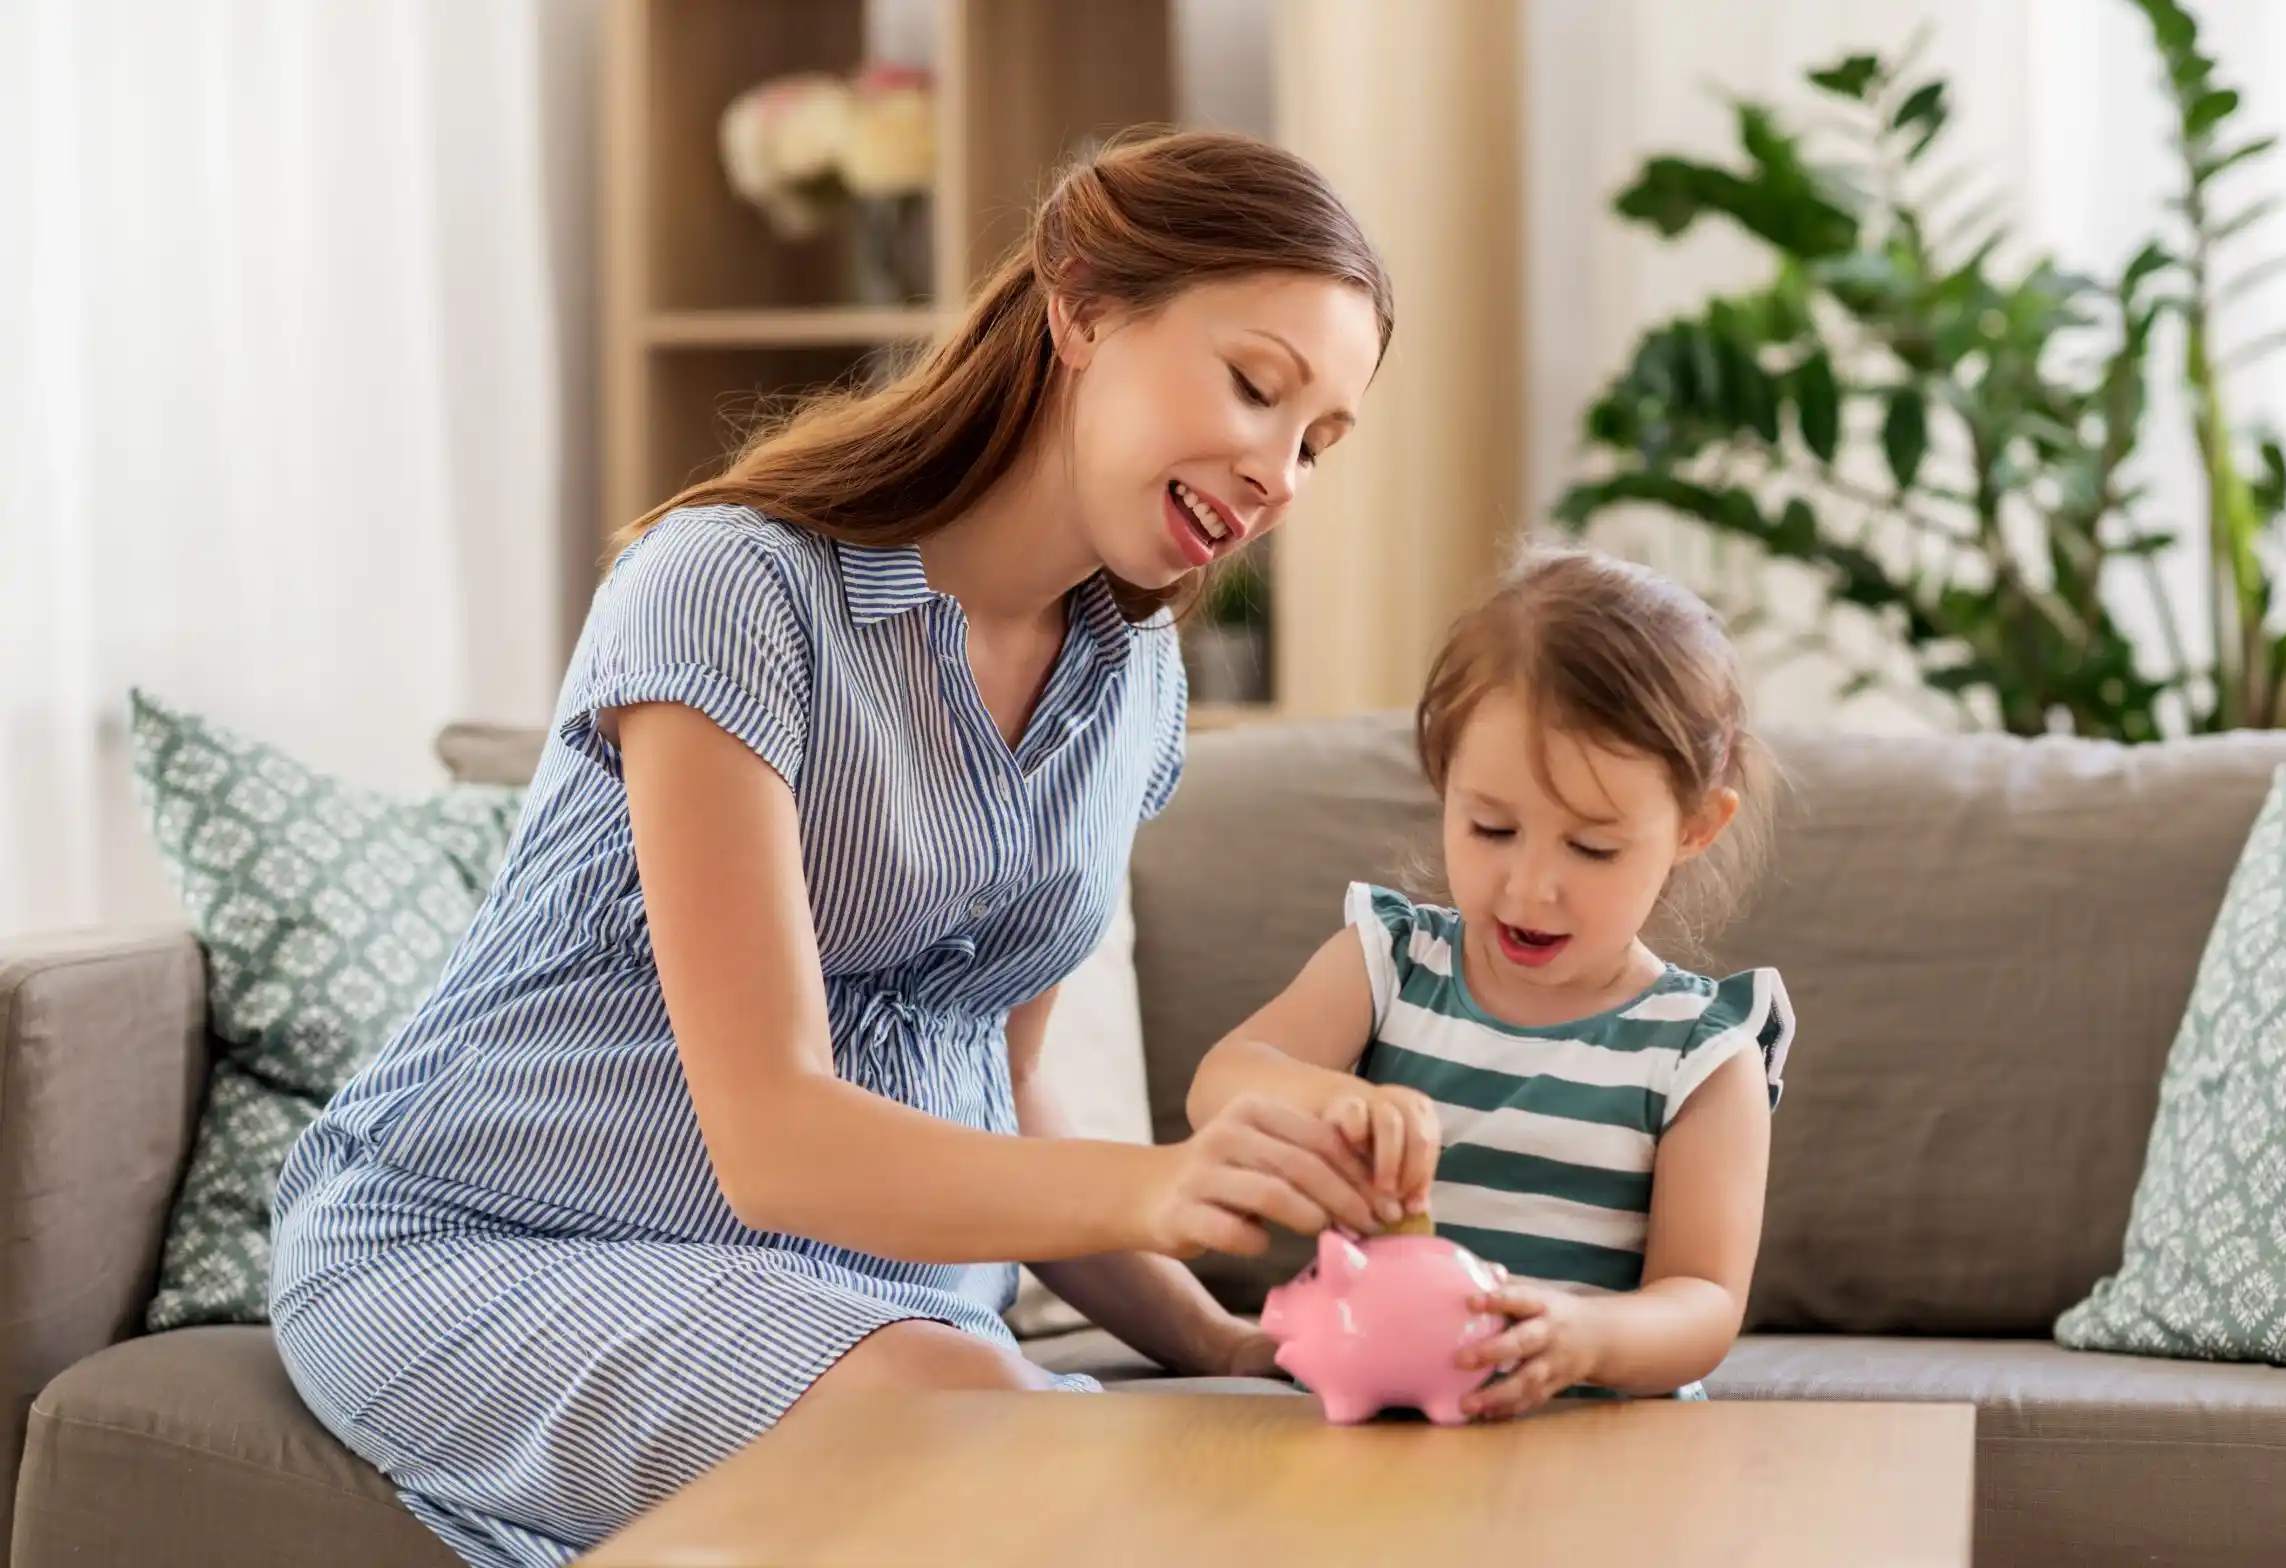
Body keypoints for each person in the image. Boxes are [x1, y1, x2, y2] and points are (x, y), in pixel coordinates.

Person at [267, 129, 1393, 1568]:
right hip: (486, 1240)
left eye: (1318, 443)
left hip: (864, 1307)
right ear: (1084, 307)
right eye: (1255, 384)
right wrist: (1167, 1175)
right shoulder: (728, 591)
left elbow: (1008, 1085)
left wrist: (1224, 1342)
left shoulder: (1135, 689)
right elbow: (776, 1140)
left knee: (1033, 1426)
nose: (1281, 476)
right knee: (969, 1414)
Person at [1188, 548, 1795, 1420]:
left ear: (1697, 827)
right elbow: (1221, 1084)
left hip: (1588, 1446)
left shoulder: (1701, 1054)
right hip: (1377, 1434)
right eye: (1491, 827)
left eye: (1591, 848)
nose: (1530, 887)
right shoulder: (1389, 965)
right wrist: (1326, 1101)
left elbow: (1702, 1302)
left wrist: (1585, 1334)